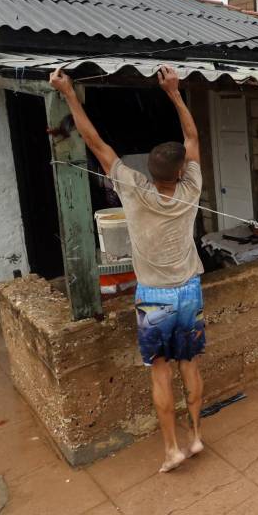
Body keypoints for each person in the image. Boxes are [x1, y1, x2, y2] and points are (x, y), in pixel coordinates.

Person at [49, 65, 205, 473]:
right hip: (189, 289)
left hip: (154, 295)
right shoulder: (191, 188)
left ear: (149, 171)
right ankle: (196, 437)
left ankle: (172, 449)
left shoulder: (133, 188)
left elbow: (94, 140)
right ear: (180, 171)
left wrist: (68, 93)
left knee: (160, 374)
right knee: (189, 365)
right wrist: (173, 92)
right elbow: (192, 138)